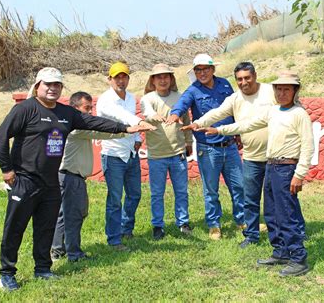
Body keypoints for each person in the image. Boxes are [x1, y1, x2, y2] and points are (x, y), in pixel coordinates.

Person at [0, 67, 151, 291]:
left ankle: (43, 269)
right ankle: (7, 273)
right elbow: (0, 136)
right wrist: (7, 169)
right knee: (15, 227)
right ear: (38, 85)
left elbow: (94, 122)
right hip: (25, 179)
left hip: (50, 181)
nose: (53, 88)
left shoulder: (65, 112)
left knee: (46, 227)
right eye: (48, 84)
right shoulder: (25, 109)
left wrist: (126, 128)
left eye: (57, 84)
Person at [193, 71, 314, 277]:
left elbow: (308, 147)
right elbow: (247, 124)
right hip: (272, 166)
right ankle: (280, 251)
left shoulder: (299, 114)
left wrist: (299, 174)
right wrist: (219, 130)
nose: (282, 93)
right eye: (279, 89)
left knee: (287, 213)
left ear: (295, 91)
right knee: (272, 212)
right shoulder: (274, 111)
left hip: (287, 168)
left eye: (287, 89)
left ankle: (298, 257)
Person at [182, 62, 276, 248]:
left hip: (270, 152)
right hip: (239, 153)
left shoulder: (270, 91)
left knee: (259, 192)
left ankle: (263, 227)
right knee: (223, 192)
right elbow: (217, 113)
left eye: (247, 78)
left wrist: (229, 132)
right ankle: (228, 228)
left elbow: (245, 121)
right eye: (239, 79)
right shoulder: (233, 97)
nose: (243, 82)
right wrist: (198, 123)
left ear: (255, 75)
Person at [166, 53, 245, 241]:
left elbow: (235, 109)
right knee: (211, 190)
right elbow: (181, 104)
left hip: (230, 144)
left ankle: (242, 220)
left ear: (213, 69)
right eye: (198, 70)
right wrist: (175, 114)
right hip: (208, 148)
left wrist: (238, 134)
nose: (202, 73)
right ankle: (214, 225)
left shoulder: (225, 84)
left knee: (239, 186)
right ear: (195, 72)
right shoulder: (193, 90)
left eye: (206, 69)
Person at [51, 91, 126, 262]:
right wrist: (127, 129)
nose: (90, 112)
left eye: (91, 108)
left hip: (65, 176)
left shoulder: (67, 125)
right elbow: (102, 132)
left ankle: (57, 250)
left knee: (63, 214)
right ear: (74, 108)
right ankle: (74, 254)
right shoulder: (77, 128)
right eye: (87, 108)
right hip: (72, 177)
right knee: (76, 215)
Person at [96, 62, 155, 250]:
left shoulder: (131, 97)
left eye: (124, 77)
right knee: (114, 199)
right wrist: (139, 123)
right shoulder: (105, 100)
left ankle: (126, 229)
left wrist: (137, 137)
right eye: (117, 77)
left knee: (135, 194)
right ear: (109, 79)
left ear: (128, 78)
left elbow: (130, 116)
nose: (121, 81)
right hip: (113, 154)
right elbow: (120, 115)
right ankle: (114, 239)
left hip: (131, 153)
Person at [140, 63, 194, 240]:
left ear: (171, 79)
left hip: (177, 153)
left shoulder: (180, 97)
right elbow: (147, 112)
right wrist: (152, 116)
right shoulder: (148, 98)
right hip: (156, 155)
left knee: (181, 191)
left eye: (166, 76)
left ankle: (183, 222)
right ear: (153, 80)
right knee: (157, 193)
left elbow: (186, 121)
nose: (163, 80)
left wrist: (188, 143)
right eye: (159, 77)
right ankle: (157, 225)